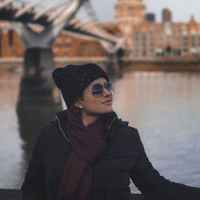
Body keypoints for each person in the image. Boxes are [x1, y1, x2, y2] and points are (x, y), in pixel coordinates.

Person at [21, 63, 200, 200]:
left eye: (108, 86)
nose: (108, 93)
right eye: (97, 90)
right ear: (77, 101)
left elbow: (157, 189)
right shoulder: (50, 136)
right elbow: (32, 191)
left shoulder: (127, 137)